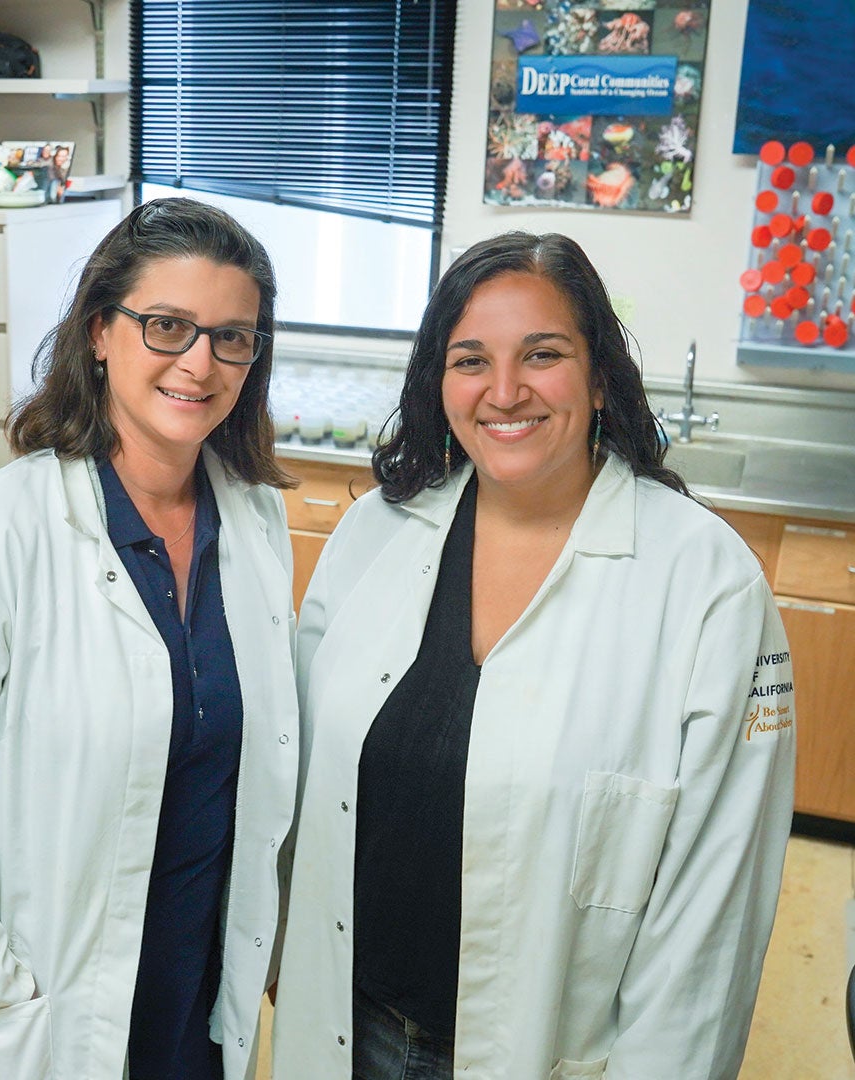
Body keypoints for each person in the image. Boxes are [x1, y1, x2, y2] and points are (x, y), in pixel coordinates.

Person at [272, 231, 795, 1080]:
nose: (505, 391)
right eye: (470, 359)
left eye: (542, 354)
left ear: (597, 375)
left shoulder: (705, 585)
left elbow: (712, 916)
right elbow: (300, 785)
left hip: (549, 1054)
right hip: (348, 1023)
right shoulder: (377, 533)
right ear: (438, 382)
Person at [0, 197, 299, 1080]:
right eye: (167, 326)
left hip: (197, 1005)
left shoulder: (254, 521)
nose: (200, 363)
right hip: (46, 1018)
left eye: (233, 337)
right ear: (101, 332)